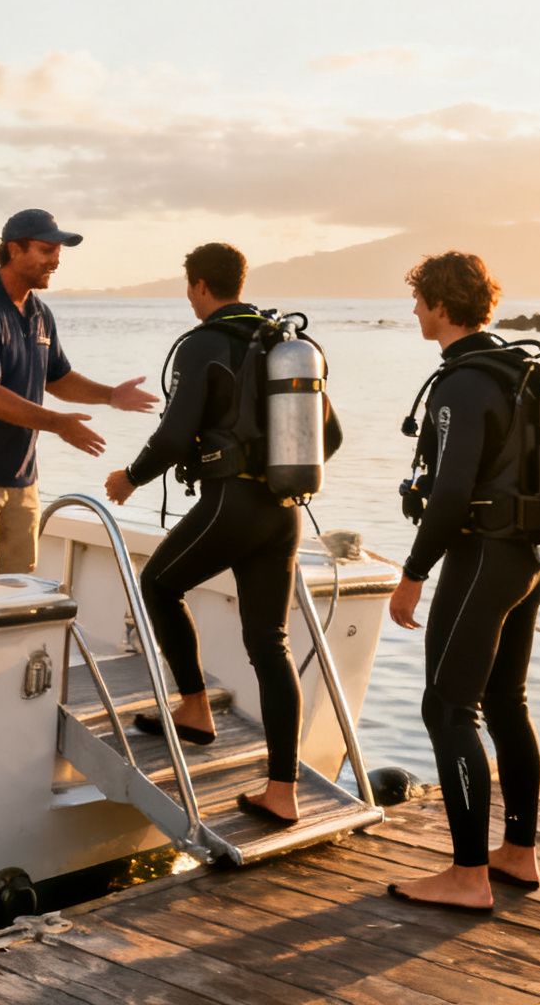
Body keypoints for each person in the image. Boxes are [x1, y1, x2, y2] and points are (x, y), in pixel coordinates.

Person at [103, 242, 341, 824]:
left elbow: (175, 434)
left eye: (190, 289)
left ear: (200, 287)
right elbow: (330, 439)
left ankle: (194, 708)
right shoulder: (285, 346)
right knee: (270, 645)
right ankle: (281, 791)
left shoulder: (206, 343)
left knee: (158, 585)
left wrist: (129, 477)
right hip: (283, 508)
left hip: (230, 503)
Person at [383, 251, 540, 914]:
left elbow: (449, 497)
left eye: (420, 300)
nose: (415, 310)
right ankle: (518, 852)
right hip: (529, 561)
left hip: (481, 560)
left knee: (449, 710)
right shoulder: (522, 374)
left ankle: (468, 873)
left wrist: (412, 575)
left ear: (443, 307)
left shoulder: (461, 384)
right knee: (507, 702)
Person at [0, 208, 157, 579]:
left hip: (20, 474)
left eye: (58, 251)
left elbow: (58, 378)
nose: (56, 260)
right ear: (13, 250)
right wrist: (58, 424)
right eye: (46, 250)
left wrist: (111, 395)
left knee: (16, 582)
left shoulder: (39, 312)